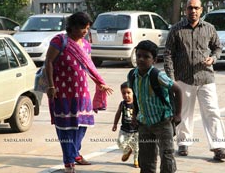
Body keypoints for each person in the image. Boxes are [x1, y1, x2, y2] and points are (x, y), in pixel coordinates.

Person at [164, 0, 225, 161]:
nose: (193, 11)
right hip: (183, 79)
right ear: (185, 10)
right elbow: (168, 55)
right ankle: (183, 143)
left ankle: (219, 147)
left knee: (212, 111)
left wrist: (213, 58)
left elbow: (217, 47)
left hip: (206, 77)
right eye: (190, 8)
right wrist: (171, 80)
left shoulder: (209, 28)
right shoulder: (176, 30)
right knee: (184, 112)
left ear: (201, 10)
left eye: (196, 8)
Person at [45, 12, 113, 173]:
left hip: (82, 92)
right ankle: (69, 161)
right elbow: (48, 62)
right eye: (83, 27)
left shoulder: (86, 45)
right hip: (62, 92)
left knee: (82, 124)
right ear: (73, 27)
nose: (85, 31)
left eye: (87, 28)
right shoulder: (59, 41)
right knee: (65, 127)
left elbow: (89, 67)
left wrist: (99, 83)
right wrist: (51, 86)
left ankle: (74, 153)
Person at [129, 40, 182, 173]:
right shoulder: (132, 75)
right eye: (138, 55)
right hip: (144, 123)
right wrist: (135, 115)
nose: (141, 59)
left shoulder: (158, 75)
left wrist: (178, 114)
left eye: (146, 57)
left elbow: (178, 90)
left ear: (154, 60)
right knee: (146, 157)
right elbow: (135, 97)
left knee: (166, 154)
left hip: (163, 122)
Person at [112, 82, 139, 168]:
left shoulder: (137, 103)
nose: (126, 95)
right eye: (123, 93)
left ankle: (136, 160)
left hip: (136, 130)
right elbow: (118, 113)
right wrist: (115, 124)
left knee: (136, 147)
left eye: (128, 92)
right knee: (120, 142)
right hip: (124, 129)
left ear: (133, 92)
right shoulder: (122, 104)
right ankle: (127, 151)